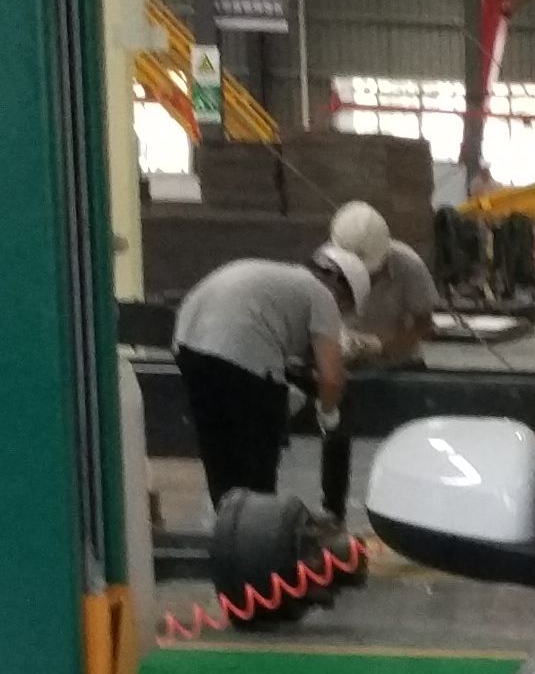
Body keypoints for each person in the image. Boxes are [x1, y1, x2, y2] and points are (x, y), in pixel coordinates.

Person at [169, 242, 359, 512]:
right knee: (258, 460)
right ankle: (258, 525)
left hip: (189, 345)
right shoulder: (322, 295)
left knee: (220, 453)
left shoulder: (282, 282)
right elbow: (331, 379)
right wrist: (328, 414)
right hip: (241, 351)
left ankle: (227, 522)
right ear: (343, 294)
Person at [321, 198, 441, 518]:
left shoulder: (408, 266)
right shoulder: (326, 266)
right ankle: (332, 513)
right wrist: (340, 344)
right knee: (335, 434)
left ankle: (420, 512)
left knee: (416, 440)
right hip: (347, 363)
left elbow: (425, 324)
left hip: (400, 363)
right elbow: (316, 315)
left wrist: (382, 344)